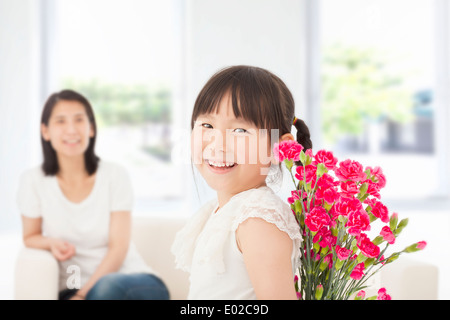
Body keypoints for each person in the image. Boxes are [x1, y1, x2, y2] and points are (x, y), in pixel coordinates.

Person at [172, 65, 312, 299]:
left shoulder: (257, 219)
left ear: (281, 147)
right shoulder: (227, 211)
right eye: (207, 125)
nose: (218, 145)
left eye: (239, 130)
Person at [17, 89, 169, 300]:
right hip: (73, 285)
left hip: (133, 282)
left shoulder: (114, 175)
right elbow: (30, 236)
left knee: (106, 288)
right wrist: (50, 243)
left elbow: (119, 248)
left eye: (79, 120)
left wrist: (82, 296)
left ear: (91, 129)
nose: (71, 130)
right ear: (45, 131)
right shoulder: (33, 181)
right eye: (61, 121)